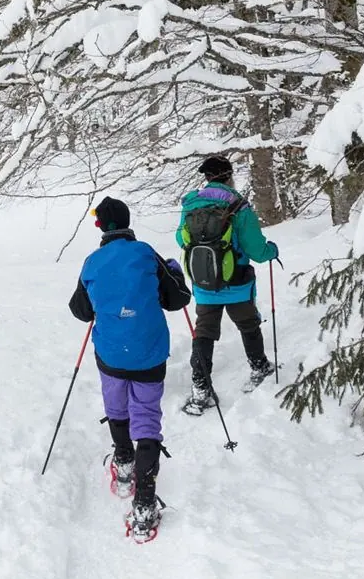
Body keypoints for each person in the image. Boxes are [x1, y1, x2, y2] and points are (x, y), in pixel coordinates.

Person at [68, 197, 192, 538]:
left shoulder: (92, 262)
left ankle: (124, 462)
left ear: (100, 227)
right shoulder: (146, 254)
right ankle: (145, 499)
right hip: (150, 352)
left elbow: (80, 310)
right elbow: (178, 298)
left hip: (110, 353)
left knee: (116, 403)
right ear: (126, 221)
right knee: (147, 415)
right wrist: (174, 270)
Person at [176, 156, 280, 414]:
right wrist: (271, 251)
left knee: (204, 332)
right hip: (237, 282)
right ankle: (259, 367)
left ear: (207, 177)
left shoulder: (190, 205)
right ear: (229, 175)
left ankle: (200, 387)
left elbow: (181, 239)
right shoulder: (237, 205)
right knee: (248, 324)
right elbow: (256, 248)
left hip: (204, 282)